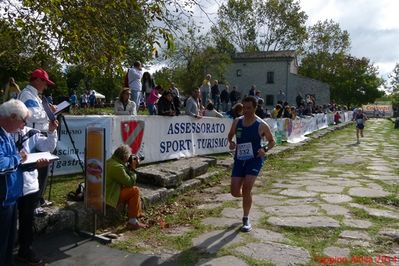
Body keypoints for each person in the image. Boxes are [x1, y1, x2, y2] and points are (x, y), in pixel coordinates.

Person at [13, 118, 58, 265]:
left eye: (24, 119)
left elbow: (48, 147)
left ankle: (25, 251)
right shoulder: (5, 134)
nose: (23, 122)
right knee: (7, 221)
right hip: (10, 186)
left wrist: (51, 131)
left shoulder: (31, 133)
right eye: (20, 119)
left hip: (30, 185)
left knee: (27, 220)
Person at [227, 96, 275, 232]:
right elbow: (230, 135)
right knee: (235, 192)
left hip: (254, 159)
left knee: (247, 187)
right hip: (239, 159)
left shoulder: (261, 124)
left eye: (249, 108)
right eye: (244, 108)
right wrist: (231, 142)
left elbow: (272, 141)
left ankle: (246, 218)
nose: (246, 111)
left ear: (255, 108)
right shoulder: (237, 122)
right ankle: (247, 198)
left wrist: (264, 149)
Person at [18, 68, 55, 211]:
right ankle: (34, 204)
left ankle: (37, 201)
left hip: (39, 135)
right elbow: (31, 114)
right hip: (33, 138)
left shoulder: (35, 96)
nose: (46, 86)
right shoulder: (27, 95)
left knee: (42, 170)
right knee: (37, 171)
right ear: (37, 80)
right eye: (45, 82)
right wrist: (49, 113)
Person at [0, 99, 29, 266]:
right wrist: (18, 158)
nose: (22, 125)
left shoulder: (6, 134)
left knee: (8, 245)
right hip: (3, 200)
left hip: (10, 197)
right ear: (11, 116)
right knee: (2, 244)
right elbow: (2, 165)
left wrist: (30, 164)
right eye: (22, 121)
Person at [105, 145, 146, 230]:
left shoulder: (111, 161)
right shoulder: (117, 167)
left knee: (133, 191)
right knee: (135, 190)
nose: (129, 159)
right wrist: (133, 169)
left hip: (108, 191)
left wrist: (129, 167)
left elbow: (124, 175)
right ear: (124, 157)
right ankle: (132, 222)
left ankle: (137, 214)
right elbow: (130, 182)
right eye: (128, 157)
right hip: (109, 196)